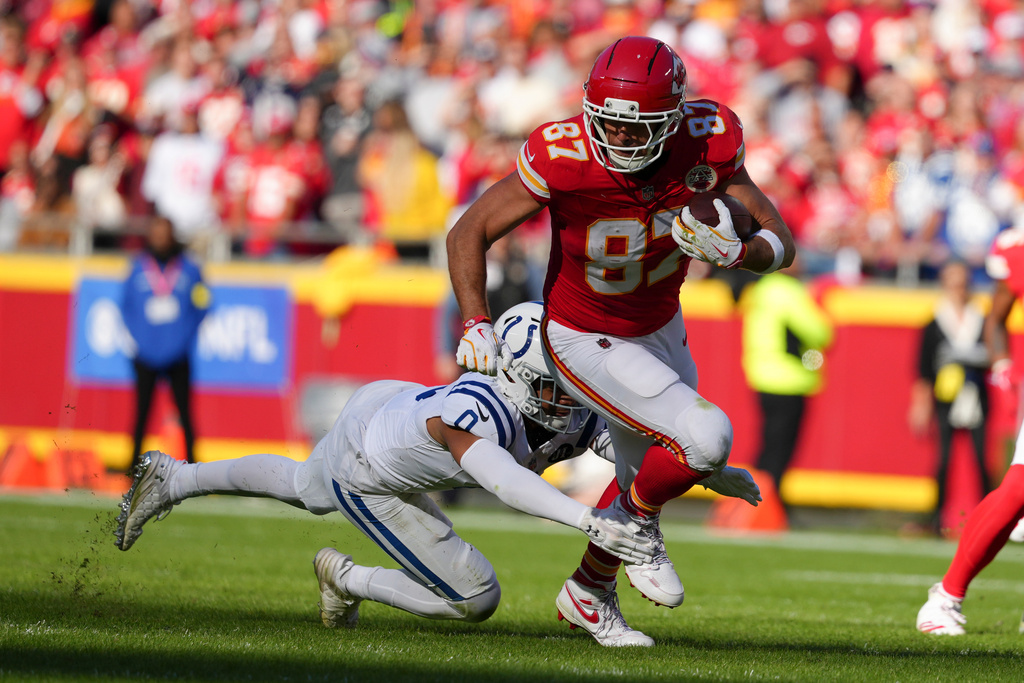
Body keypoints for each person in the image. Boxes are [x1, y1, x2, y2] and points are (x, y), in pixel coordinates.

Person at [114, 302, 758, 643]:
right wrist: (587, 518)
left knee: (303, 488)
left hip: (386, 405)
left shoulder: (552, 406)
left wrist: (705, 469)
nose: (572, 397)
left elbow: (630, 450)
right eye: (556, 385)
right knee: (474, 598)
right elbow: (507, 484)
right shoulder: (478, 409)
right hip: (373, 465)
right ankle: (346, 575)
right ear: (519, 379)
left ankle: (176, 480)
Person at [445, 36, 787, 646]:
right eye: (610, 126)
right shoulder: (564, 153)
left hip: (660, 324)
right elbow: (468, 231)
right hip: (583, 333)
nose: (623, 141)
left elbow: (780, 241)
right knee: (704, 438)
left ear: (674, 117)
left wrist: (740, 252)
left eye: (640, 129)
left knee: (649, 469)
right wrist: (476, 319)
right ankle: (636, 528)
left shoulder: (708, 138)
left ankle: (588, 592)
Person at [915, 228, 1024, 635]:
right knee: (1018, 488)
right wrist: (1002, 366)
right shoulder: (1018, 246)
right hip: (960, 393)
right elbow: (998, 316)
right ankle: (945, 597)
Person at [739, 254, 833, 528]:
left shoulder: (762, 289)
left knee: (768, 447)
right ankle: (768, 507)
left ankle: (755, 504)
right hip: (789, 379)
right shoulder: (788, 291)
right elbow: (822, 332)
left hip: (762, 376)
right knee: (780, 451)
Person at [908, 260, 991, 536]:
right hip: (945, 397)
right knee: (943, 460)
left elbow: (993, 355)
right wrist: (920, 404)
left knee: (981, 460)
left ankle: (989, 522)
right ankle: (937, 520)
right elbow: (923, 367)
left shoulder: (981, 318)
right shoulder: (935, 322)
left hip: (975, 396)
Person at [120, 215, 210, 470]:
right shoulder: (138, 268)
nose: (160, 239)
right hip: (145, 353)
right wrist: (137, 339)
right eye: (156, 234)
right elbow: (126, 306)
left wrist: (186, 334)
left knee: (185, 412)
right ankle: (131, 465)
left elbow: (203, 302)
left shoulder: (189, 269)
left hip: (178, 352)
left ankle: (194, 466)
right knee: (141, 412)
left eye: (165, 234)